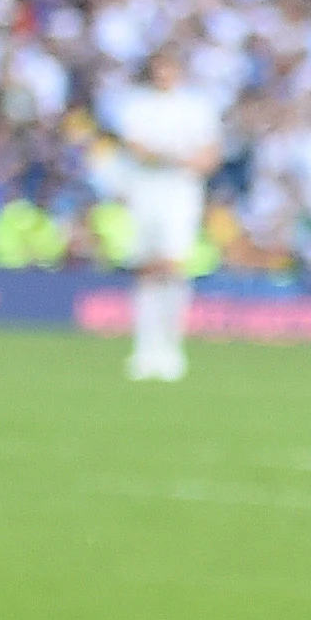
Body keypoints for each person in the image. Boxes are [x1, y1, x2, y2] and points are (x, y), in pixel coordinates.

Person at [98, 49, 223, 383]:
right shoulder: (138, 105)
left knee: (173, 265)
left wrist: (175, 159)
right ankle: (145, 347)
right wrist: (177, 157)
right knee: (147, 268)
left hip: (180, 194)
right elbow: (137, 148)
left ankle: (171, 347)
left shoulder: (196, 107)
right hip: (145, 191)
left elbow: (209, 155)